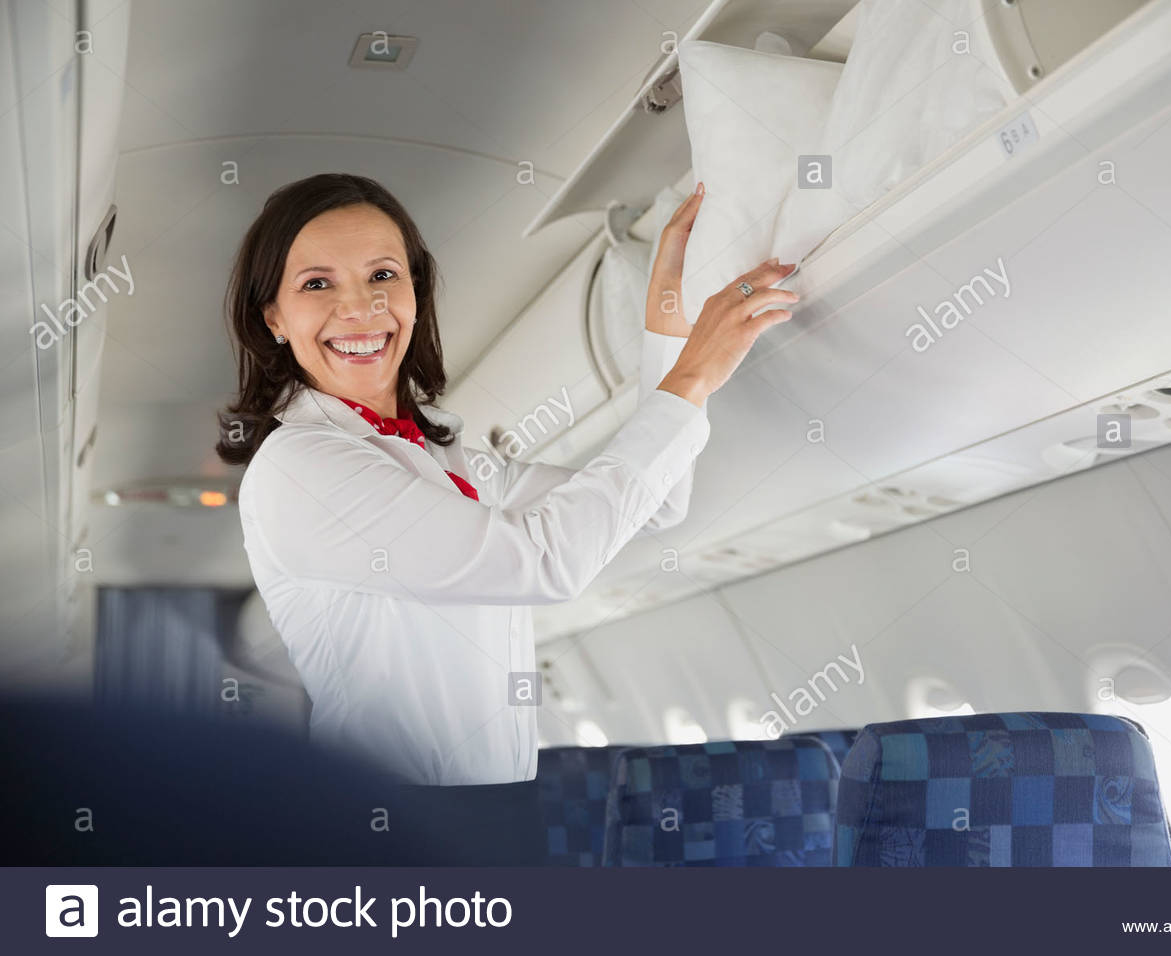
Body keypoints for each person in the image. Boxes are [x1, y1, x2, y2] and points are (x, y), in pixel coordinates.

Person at [215, 173, 798, 857]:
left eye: (383, 274)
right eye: (317, 284)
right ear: (272, 318)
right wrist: (692, 377)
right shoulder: (300, 468)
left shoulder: (445, 455)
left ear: (415, 291)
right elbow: (544, 563)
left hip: (501, 812)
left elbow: (656, 503)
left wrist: (667, 307)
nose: (360, 307)